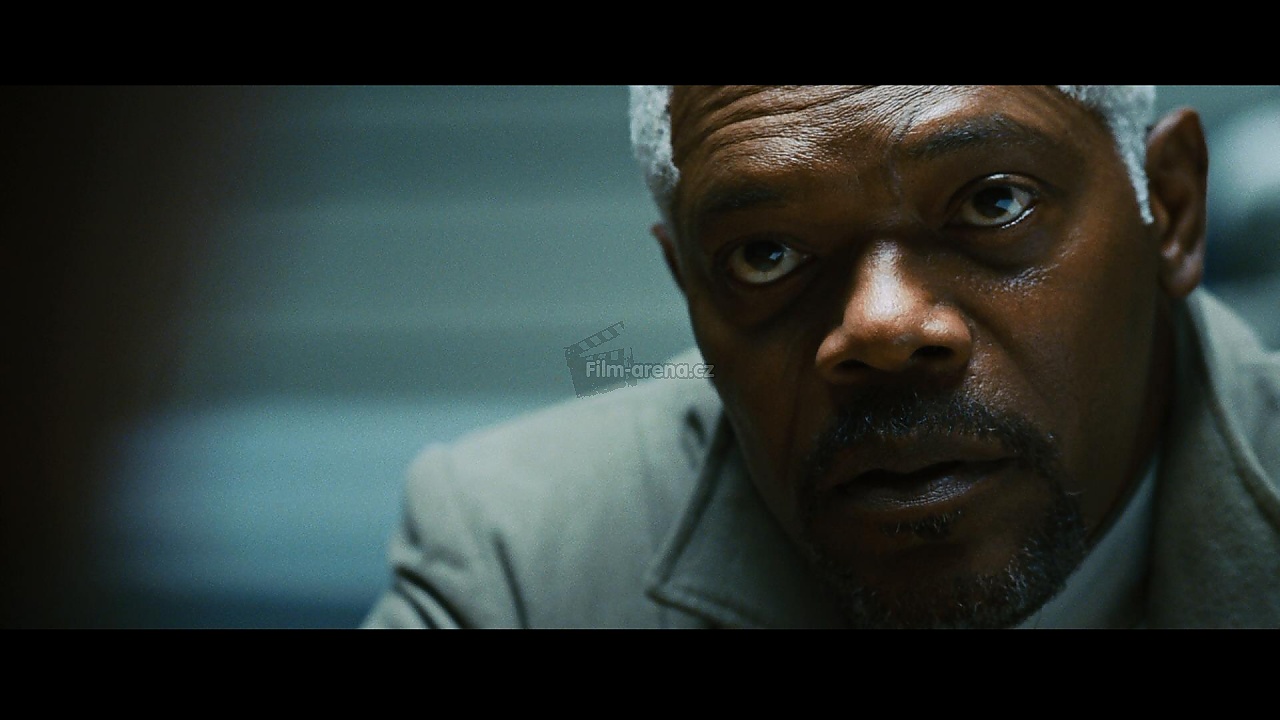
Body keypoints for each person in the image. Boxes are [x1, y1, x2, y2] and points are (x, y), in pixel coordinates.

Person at [362, 86, 1280, 628]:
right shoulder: (522, 567)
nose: (881, 327)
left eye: (994, 202)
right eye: (766, 255)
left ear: (1171, 208)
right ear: (688, 286)